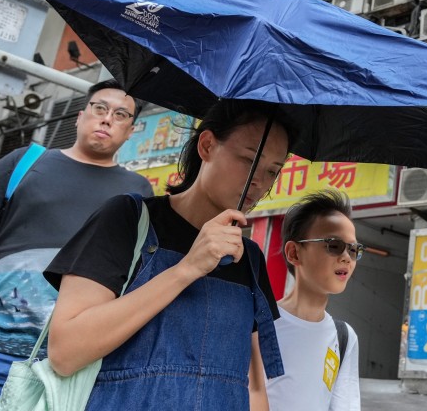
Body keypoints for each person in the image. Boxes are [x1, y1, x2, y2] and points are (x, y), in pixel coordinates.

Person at [0, 79, 153, 411]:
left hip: (77, 362)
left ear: (131, 131)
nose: (107, 119)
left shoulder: (138, 192)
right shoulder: (27, 162)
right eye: (100, 108)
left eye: (121, 114)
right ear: (79, 116)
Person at [43, 99, 288, 410]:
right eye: (249, 160)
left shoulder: (249, 259)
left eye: (273, 171)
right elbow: (65, 351)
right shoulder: (129, 218)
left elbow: (253, 387)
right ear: (208, 146)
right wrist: (187, 269)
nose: (259, 181)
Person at [267, 189, 362, 411]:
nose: (346, 257)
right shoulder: (258, 324)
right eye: (334, 245)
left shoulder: (344, 337)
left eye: (354, 249)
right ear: (294, 253)